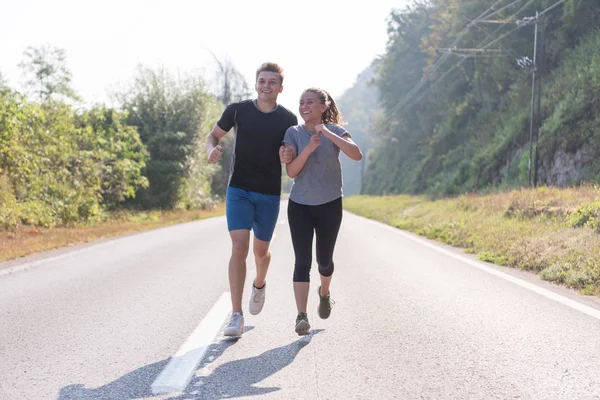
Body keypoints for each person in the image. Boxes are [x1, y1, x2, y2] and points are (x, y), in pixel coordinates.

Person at [206, 62, 298, 337]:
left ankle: (260, 283)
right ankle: (236, 315)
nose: (266, 86)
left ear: (280, 88)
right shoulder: (238, 111)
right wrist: (210, 150)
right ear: (256, 84)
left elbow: (291, 150)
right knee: (238, 247)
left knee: (261, 252)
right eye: (262, 81)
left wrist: (288, 155)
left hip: (269, 193)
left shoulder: (288, 119)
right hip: (239, 190)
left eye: (272, 82)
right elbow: (213, 135)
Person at [282, 87, 362, 335]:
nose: (304, 106)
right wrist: (308, 149)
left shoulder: (336, 131)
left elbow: (356, 154)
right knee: (302, 261)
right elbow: (292, 172)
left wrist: (327, 132)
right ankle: (301, 316)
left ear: (323, 106)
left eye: (310, 102)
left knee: (324, 261)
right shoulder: (293, 132)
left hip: (329, 204)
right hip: (300, 204)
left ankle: (324, 292)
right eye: (301, 102)